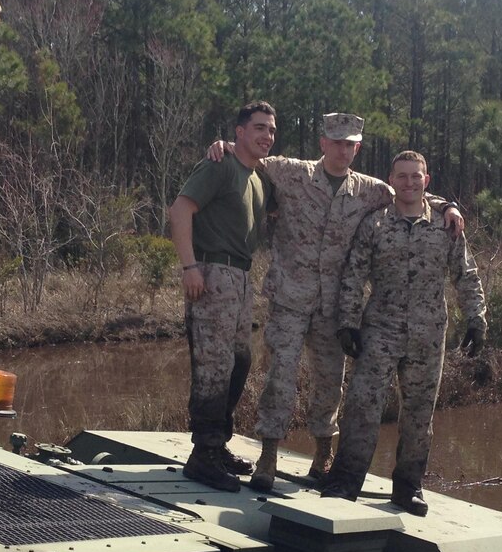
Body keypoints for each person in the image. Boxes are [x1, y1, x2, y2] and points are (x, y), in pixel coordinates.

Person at [207, 114, 464, 492]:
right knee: (280, 377)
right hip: (291, 298)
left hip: (334, 307)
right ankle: (269, 455)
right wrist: (225, 147)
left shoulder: (371, 190)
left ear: (357, 148)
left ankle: (323, 453)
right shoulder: (292, 172)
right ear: (323, 143)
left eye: (350, 144)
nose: (342, 149)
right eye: (336, 141)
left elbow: (412, 194)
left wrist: (448, 206)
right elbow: (251, 158)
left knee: (330, 384)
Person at [320, 151, 486, 516]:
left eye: (416, 176)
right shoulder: (375, 225)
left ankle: (408, 486)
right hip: (380, 330)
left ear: (427, 181)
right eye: (402, 176)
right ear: (391, 181)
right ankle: (346, 480)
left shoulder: (447, 226)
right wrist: (348, 323)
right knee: (362, 406)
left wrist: (476, 318)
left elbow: (466, 274)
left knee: (418, 414)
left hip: (428, 335)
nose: (409, 182)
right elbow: (353, 275)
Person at [169, 102, 277, 491]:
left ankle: (218, 444)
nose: (266, 135)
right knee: (212, 367)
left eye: (271, 130)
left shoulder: (259, 177)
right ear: (239, 131)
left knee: (238, 362)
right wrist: (190, 266)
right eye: (259, 128)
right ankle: (203, 455)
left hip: (242, 278)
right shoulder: (220, 164)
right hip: (213, 272)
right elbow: (180, 209)